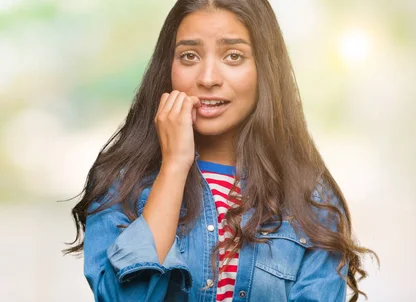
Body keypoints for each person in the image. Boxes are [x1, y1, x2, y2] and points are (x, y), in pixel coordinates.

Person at [65, 0, 377, 301]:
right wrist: (174, 165)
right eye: (189, 56)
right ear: (168, 67)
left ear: (264, 69)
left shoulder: (311, 199)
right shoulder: (122, 184)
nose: (208, 78)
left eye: (233, 56)